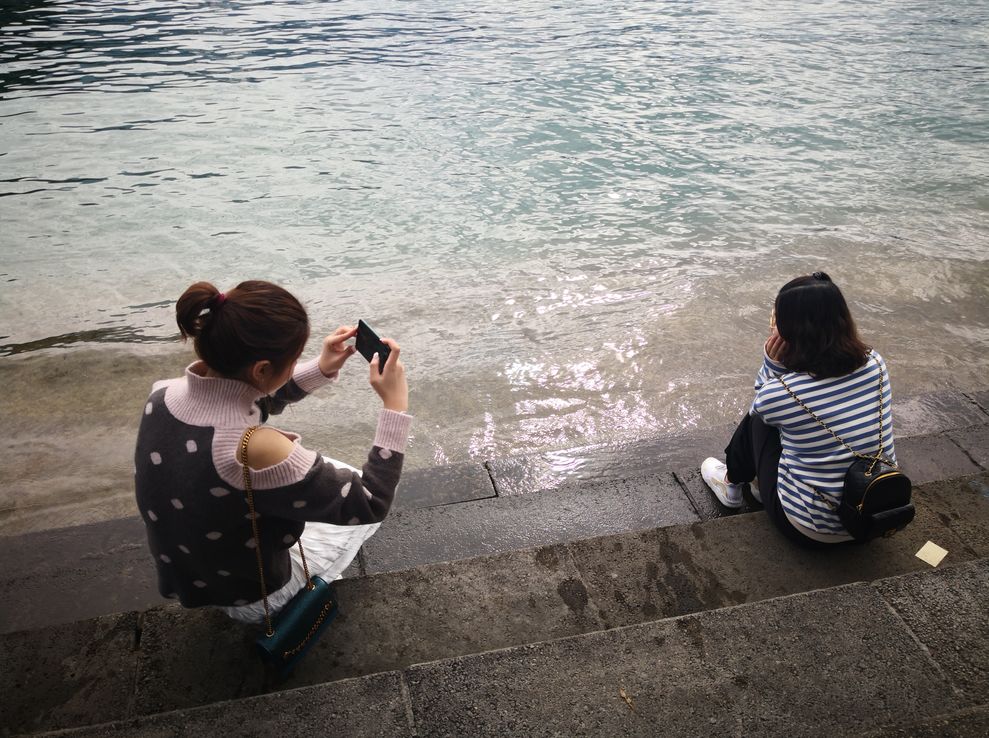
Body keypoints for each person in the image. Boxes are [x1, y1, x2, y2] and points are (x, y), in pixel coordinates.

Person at [134, 280, 410, 622]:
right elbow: (370, 501)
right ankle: (309, 589)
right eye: (294, 360)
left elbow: (245, 401)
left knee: (322, 477)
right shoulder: (255, 449)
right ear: (262, 369)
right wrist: (395, 407)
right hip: (254, 594)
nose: (296, 363)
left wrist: (322, 368)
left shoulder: (162, 395)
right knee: (361, 485)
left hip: (193, 576)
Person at [700, 272, 896, 547]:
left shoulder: (785, 393)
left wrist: (772, 365)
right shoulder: (876, 363)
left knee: (758, 419)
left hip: (810, 529)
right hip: (871, 514)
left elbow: (761, 407)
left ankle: (731, 483)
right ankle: (753, 483)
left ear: (791, 332)